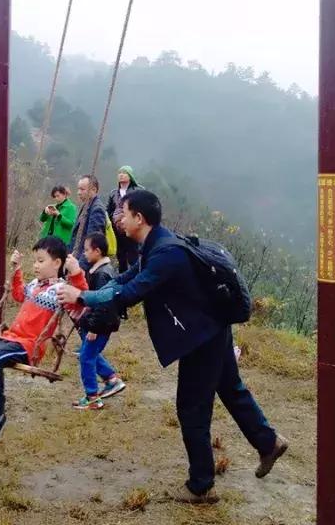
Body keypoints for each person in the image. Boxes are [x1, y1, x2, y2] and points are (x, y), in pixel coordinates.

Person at [58, 189, 288, 504]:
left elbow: (131, 293)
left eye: (123, 212)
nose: (119, 218)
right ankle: (268, 442)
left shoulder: (167, 254)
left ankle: (201, 484)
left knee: (192, 408)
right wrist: (84, 288)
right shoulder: (156, 246)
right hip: (211, 328)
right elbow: (123, 280)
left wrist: (83, 297)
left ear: (139, 218)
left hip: (202, 337)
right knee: (231, 389)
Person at [0, 236, 87, 449]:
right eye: (34, 260)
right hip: (8, 339)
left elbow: (81, 305)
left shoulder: (61, 290)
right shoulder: (35, 285)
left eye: (41, 261)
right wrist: (16, 270)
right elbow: (17, 295)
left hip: (28, 346)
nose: (36, 265)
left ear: (57, 263)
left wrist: (77, 273)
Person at [70, 232, 126, 410]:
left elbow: (104, 305)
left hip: (101, 326)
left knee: (86, 357)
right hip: (99, 324)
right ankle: (111, 379)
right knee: (90, 354)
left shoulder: (102, 275)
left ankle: (92, 397)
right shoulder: (100, 271)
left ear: (98, 251)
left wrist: (93, 328)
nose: (85, 253)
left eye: (87, 250)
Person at [107, 166, 141, 273]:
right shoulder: (113, 193)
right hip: (117, 229)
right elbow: (109, 210)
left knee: (133, 255)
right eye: (120, 173)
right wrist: (116, 218)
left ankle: (135, 277)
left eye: (124, 173)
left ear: (130, 176)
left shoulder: (138, 191)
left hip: (132, 228)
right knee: (120, 256)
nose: (121, 175)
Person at [69, 175, 108, 266]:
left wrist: (81, 266)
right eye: (78, 189)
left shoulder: (96, 209)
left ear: (93, 190)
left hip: (85, 263)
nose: (78, 192)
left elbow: (93, 242)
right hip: (76, 257)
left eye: (82, 189)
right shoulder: (85, 205)